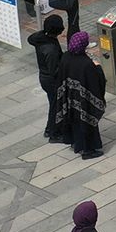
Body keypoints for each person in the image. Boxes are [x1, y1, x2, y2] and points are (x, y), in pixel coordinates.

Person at [58, 32, 107, 159]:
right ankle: (87, 150)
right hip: (83, 101)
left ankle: (76, 143)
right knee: (86, 124)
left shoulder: (66, 57)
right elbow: (96, 83)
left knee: (74, 123)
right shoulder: (86, 64)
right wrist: (97, 68)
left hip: (69, 98)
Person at [30, 14, 67, 142]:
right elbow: (54, 70)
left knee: (54, 104)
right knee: (55, 105)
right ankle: (53, 133)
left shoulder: (42, 38)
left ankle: (50, 129)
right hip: (51, 80)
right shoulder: (50, 49)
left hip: (44, 77)